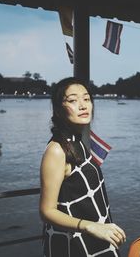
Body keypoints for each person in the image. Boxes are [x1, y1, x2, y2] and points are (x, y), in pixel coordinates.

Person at [39, 77, 126, 257]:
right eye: (72, 100)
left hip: (96, 239)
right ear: (58, 109)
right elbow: (47, 211)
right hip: (73, 245)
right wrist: (90, 226)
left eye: (86, 99)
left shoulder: (78, 142)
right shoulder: (57, 150)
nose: (83, 105)